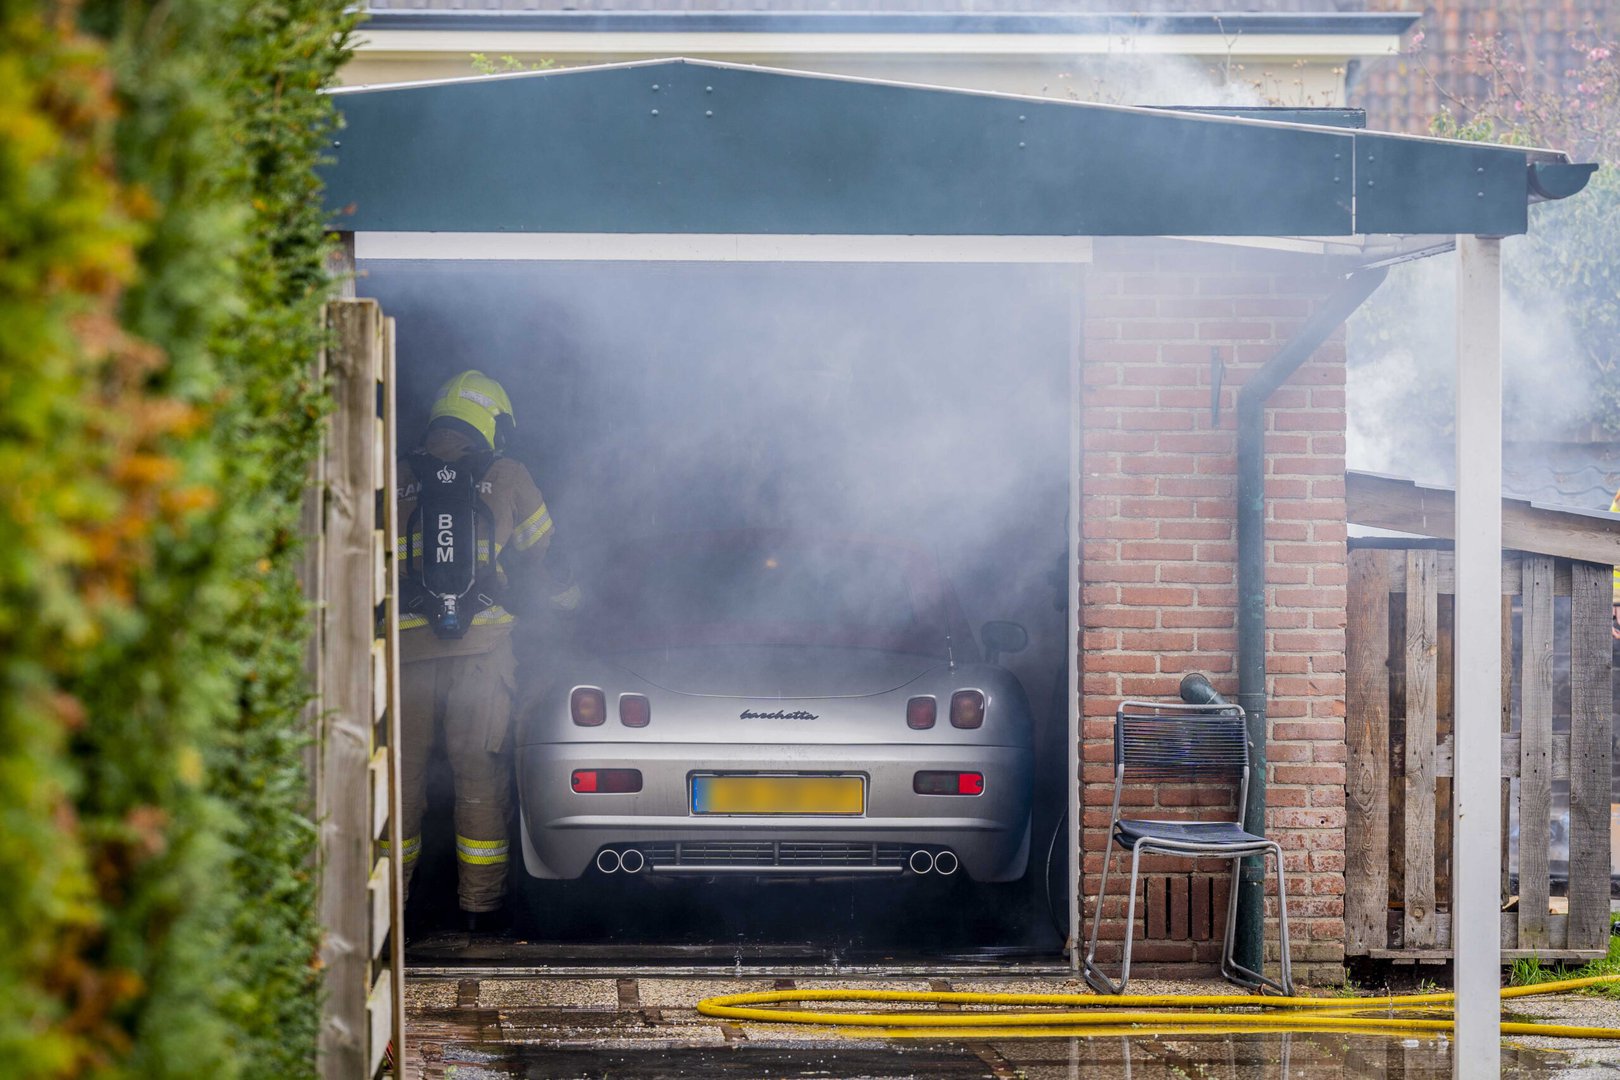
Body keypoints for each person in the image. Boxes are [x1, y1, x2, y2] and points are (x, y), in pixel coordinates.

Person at [393, 370, 555, 930]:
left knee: (400, 781)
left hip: (407, 653)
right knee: (479, 778)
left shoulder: (398, 475)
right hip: (484, 651)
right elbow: (541, 549)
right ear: (492, 421)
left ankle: (391, 913)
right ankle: (480, 915)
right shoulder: (507, 473)